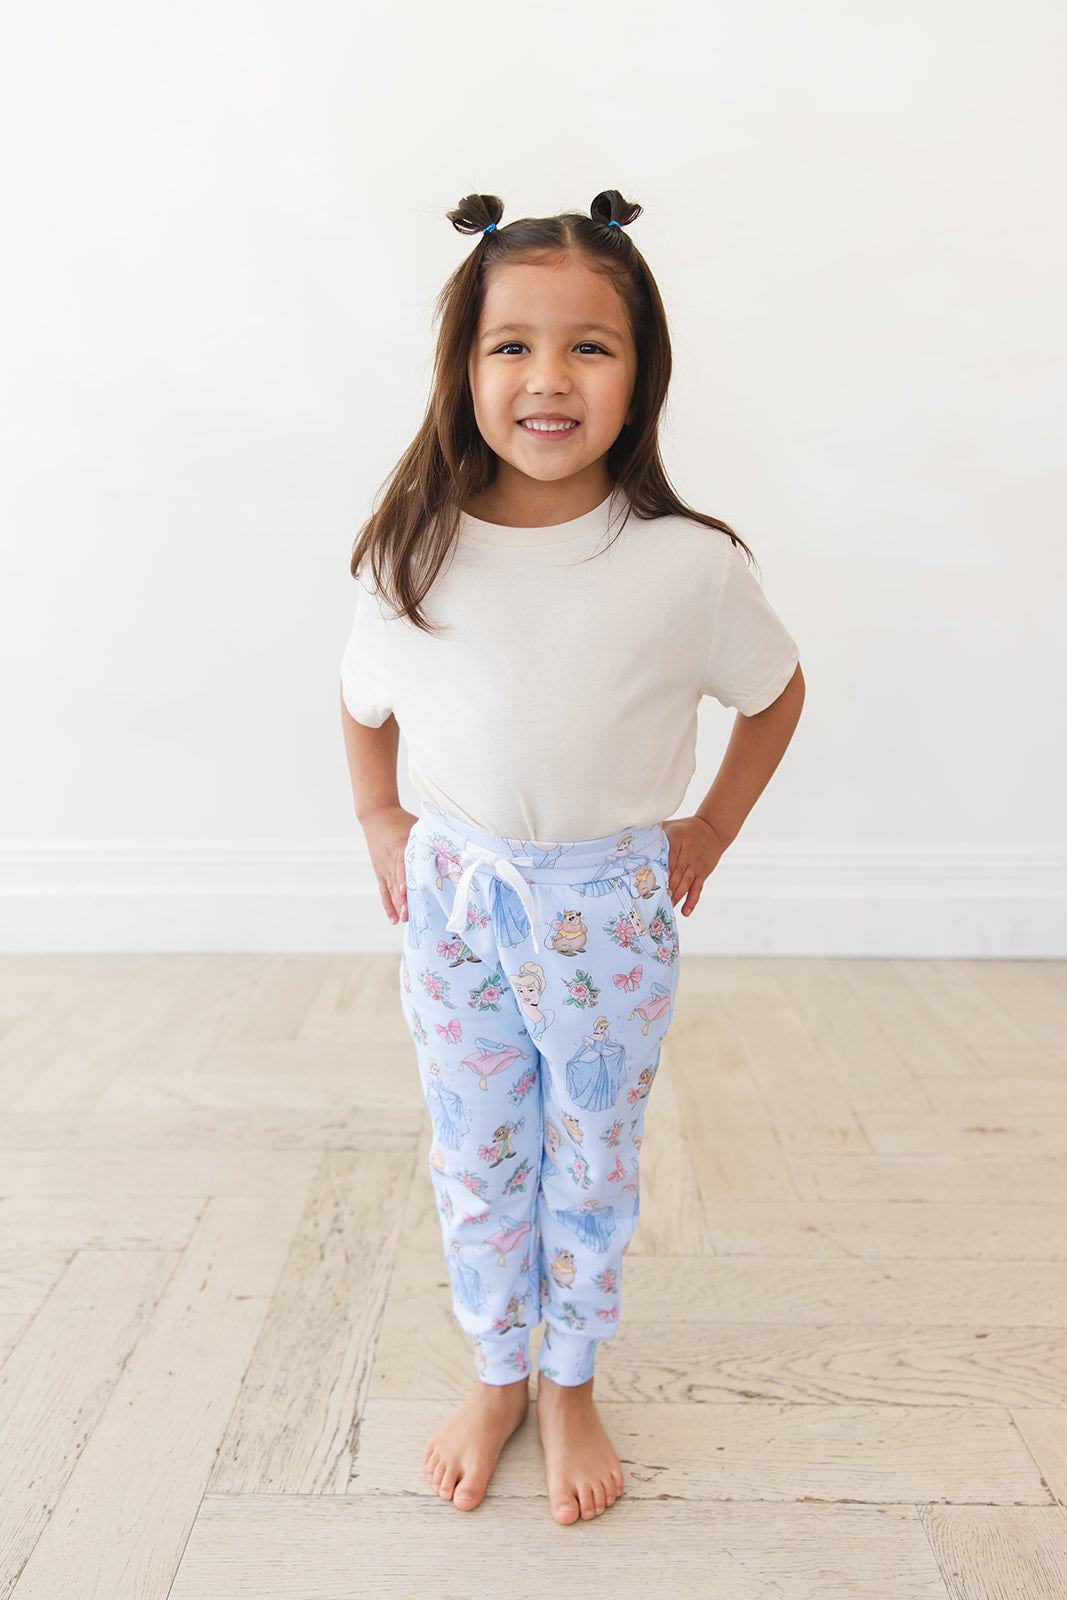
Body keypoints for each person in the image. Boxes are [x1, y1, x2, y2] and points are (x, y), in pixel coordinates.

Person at [339, 189, 805, 1524]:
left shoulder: (686, 566)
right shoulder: (414, 552)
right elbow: (364, 703)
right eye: (514, 345)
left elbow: (775, 692)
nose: (549, 378)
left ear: (641, 371)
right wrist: (379, 818)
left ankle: (570, 1377)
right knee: (479, 1151)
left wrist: (710, 827)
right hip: (458, 908)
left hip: (608, 913)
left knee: (591, 1152)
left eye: (589, 346)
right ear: (463, 366)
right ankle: (498, 1369)